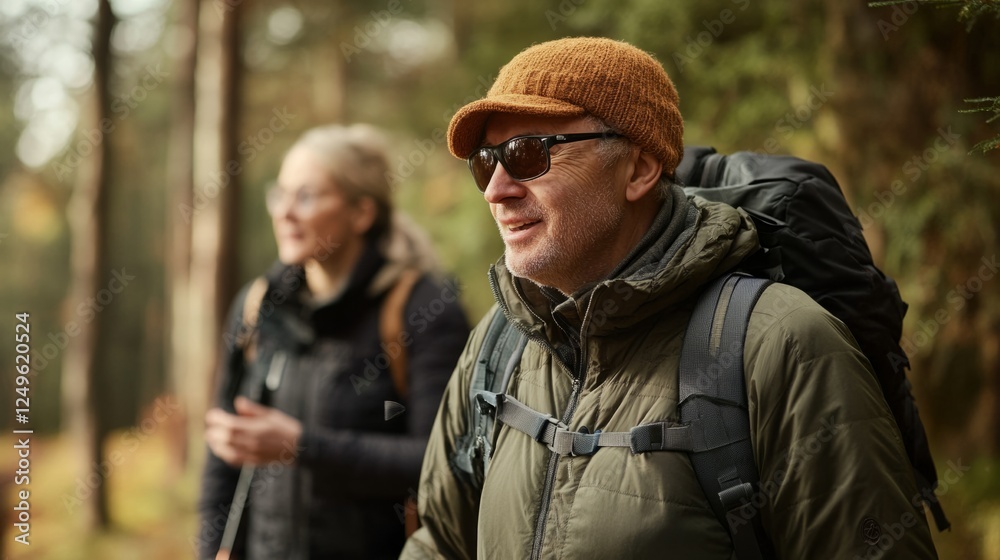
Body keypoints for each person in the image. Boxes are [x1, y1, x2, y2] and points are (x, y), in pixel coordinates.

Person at [399, 37, 938, 559]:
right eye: (486, 161)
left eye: (528, 153)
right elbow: (440, 543)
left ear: (639, 169)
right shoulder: (499, 343)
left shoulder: (781, 343)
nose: (496, 189)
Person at [197, 123, 469, 560]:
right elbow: (221, 463)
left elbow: (440, 463)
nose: (284, 212)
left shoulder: (423, 311)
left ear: (361, 213)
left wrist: (301, 446)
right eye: (280, 194)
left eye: (305, 196)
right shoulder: (256, 306)